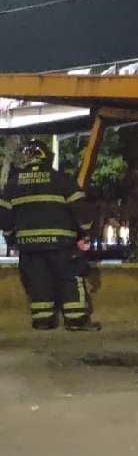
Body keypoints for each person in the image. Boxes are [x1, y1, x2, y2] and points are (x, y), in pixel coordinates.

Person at [0, 140, 100, 330]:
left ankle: (43, 320)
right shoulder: (62, 180)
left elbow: (4, 218)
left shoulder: (13, 184)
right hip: (61, 245)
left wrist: (11, 237)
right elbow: (82, 211)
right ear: (48, 157)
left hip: (29, 247)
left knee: (38, 281)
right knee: (70, 279)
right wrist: (85, 232)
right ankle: (76, 320)